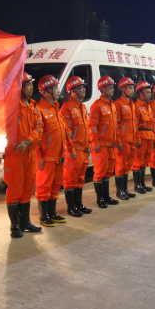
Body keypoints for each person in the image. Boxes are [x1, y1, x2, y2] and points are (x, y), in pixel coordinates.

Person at [4, 72, 43, 238]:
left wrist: (28, 141)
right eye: (27, 85)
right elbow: (5, 127)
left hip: (29, 152)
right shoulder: (12, 107)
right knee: (15, 189)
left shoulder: (34, 107)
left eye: (31, 84)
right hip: (15, 154)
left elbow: (39, 129)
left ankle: (25, 223)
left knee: (27, 188)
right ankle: (14, 226)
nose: (31, 88)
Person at [35, 75, 67, 227]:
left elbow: (62, 133)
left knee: (55, 186)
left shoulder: (56, 108)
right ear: (45, 92)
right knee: (44, 187)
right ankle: (44, 216)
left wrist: (64, 152)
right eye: (54, 88)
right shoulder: (39, 110)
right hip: (46, 158)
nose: (57, 90)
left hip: (58, 156)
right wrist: (39, 158)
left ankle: (52, 213)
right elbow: (37, 137)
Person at [60, 75, 92, 217]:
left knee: (80, 179)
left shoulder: (82, 107)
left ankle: (79, 205)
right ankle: (71, 207)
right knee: (70, 180)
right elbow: (66, 133)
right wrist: (70, 150)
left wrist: (89, 145)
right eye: (79, 88)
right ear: (72, 91)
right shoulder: (66, 109)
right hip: (73, 151)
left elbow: (87, 128)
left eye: (83, 87)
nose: (83, 90)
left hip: (83, 150)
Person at [90, 76, 120, 208]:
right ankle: (100, 199)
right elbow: (92, 126)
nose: (112, 89)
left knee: (108, 171)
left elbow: (115, 126)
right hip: (101, 146)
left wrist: (116, 141)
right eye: (109, 87)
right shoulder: (96, 106)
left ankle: (106, 196)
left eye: (112, 87)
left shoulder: (112, 105)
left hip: (111, 145)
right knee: (100, 172)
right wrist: (95, 142)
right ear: (102, 89)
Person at [114, 77, 138, 200]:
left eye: (132, 87)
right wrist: (118, 142)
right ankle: (120, 191)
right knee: (120, 166)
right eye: (129, 87)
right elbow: (116, 125)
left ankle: (125, 190)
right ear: (122, 89)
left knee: (128, 166)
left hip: (131, 141)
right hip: (122, 142)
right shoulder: (118, 104)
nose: (132, 89)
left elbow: (134, 124)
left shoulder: (131, 104)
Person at [131, 81, 154, 194]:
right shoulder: (136, 107)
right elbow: (134, 125)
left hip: (149, 137)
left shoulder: (148, 106)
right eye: (147, 92)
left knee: (144, 162)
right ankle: (138, 185)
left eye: (150, 92)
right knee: (138, 162)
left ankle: (142, 184)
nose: (150, 94)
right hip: (141, 137)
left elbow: (151, 124)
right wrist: (137, 139)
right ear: (140, 93)